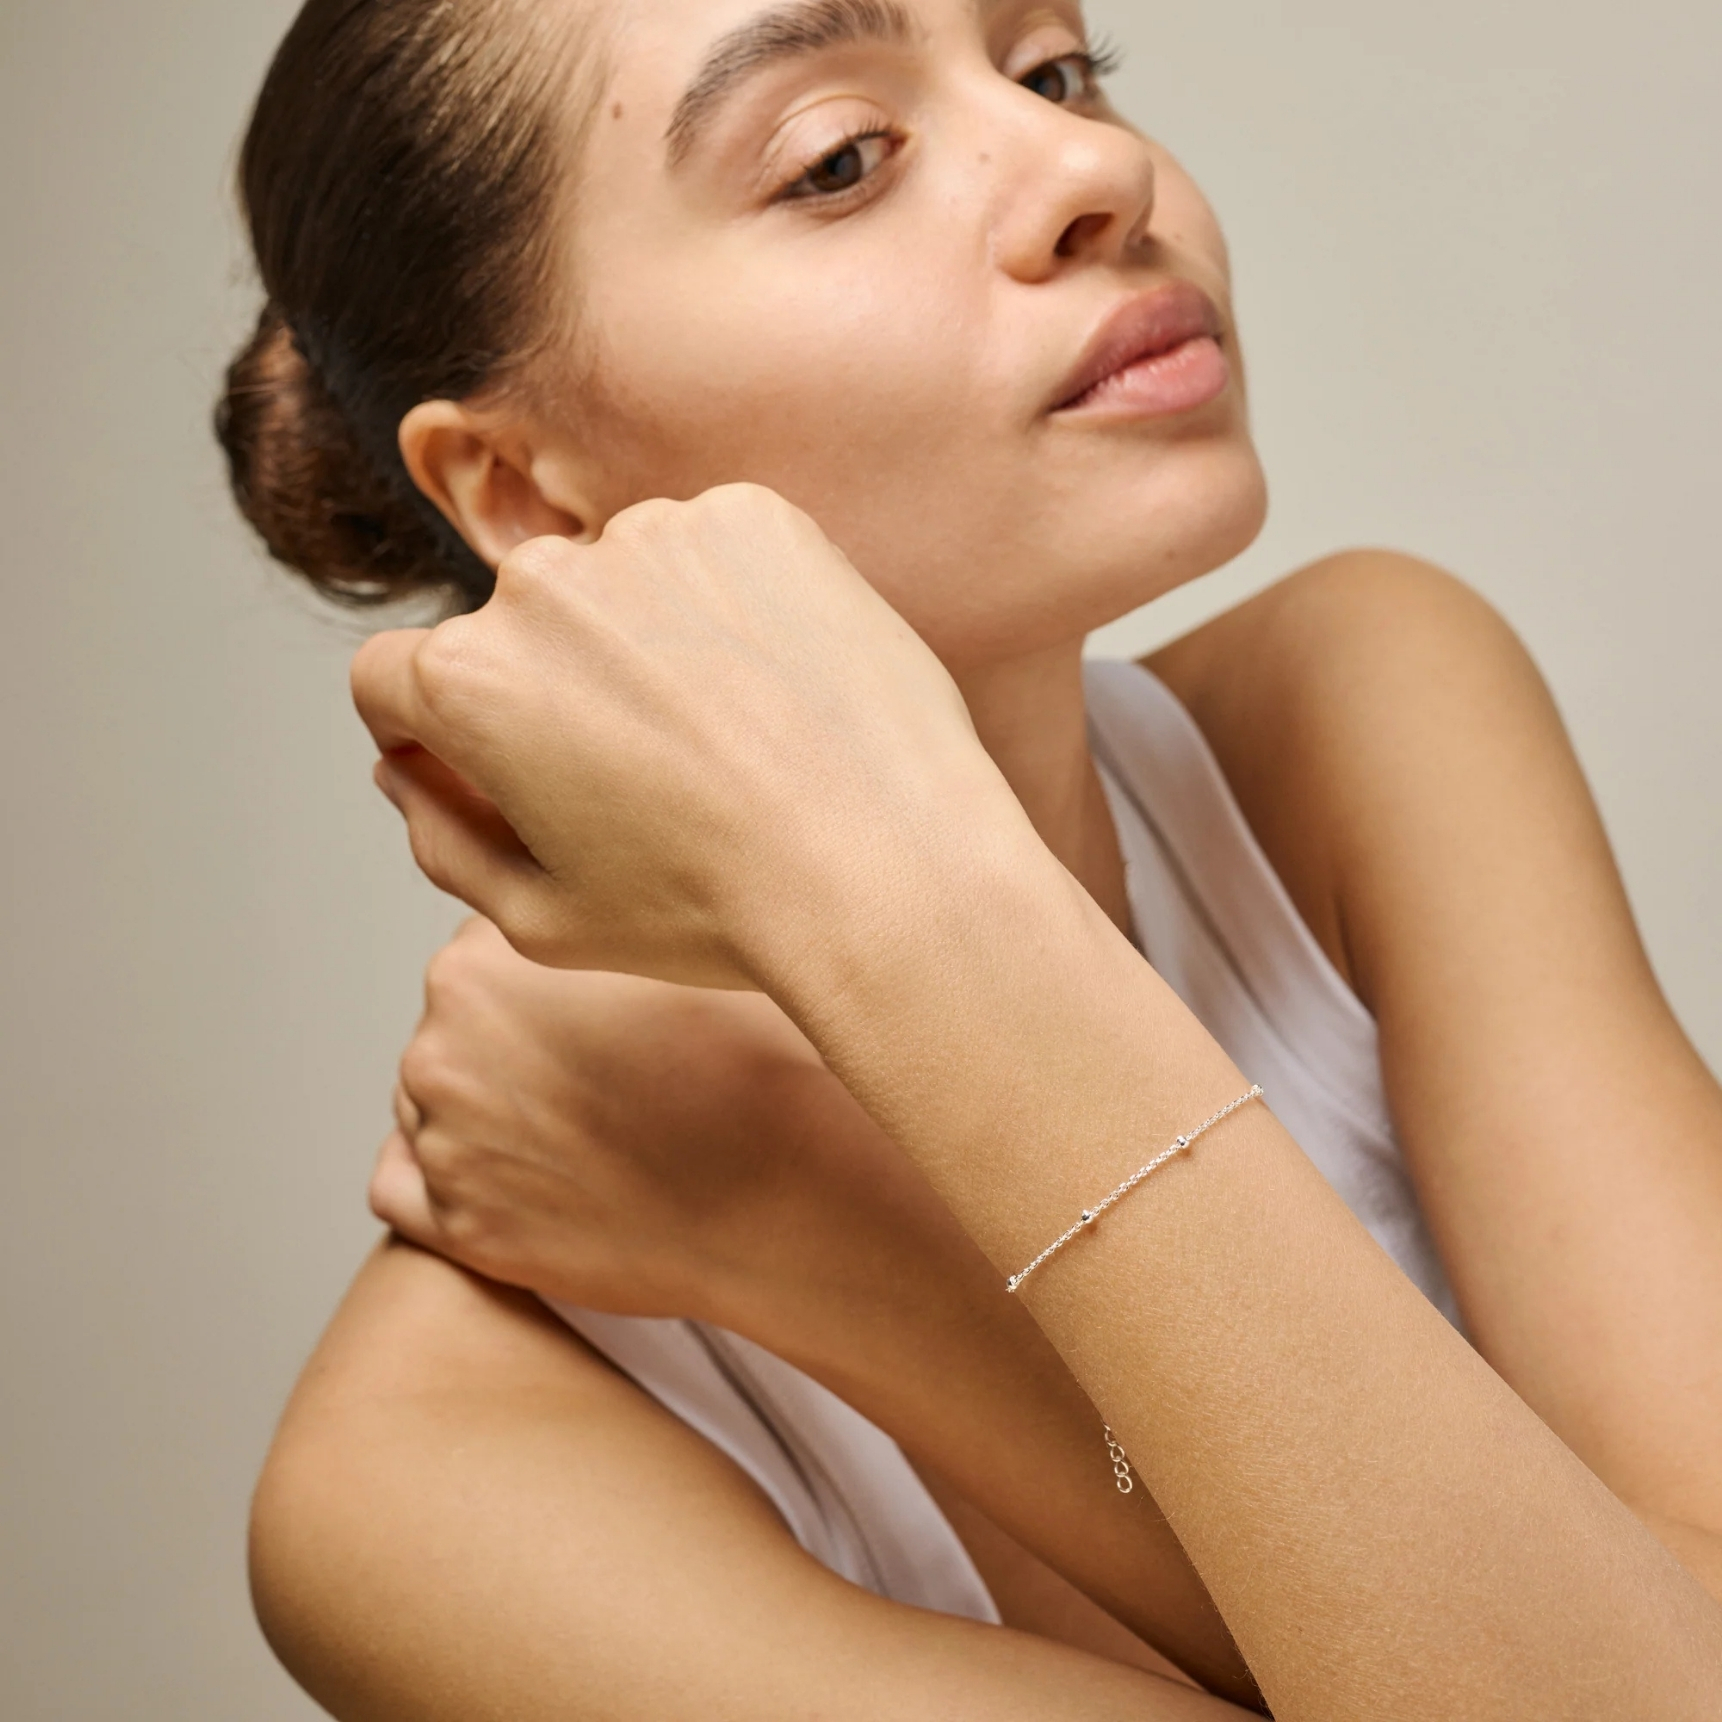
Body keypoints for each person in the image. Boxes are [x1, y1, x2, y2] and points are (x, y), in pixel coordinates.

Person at [216, 0, 1722, 1716]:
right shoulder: (421, 1490)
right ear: (523, 494)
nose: (1092, 168)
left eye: (1052, 68)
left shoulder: (1355, 721)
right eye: (836, 160)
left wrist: (855, 1257)